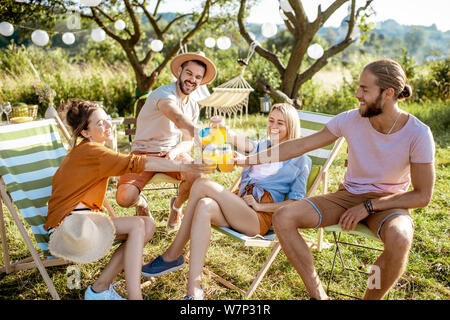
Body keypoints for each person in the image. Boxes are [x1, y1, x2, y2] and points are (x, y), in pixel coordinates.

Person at [238, 59, 435, 300]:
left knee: (401, 237)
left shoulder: (417, 133)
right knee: (284, 216)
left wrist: (369, 206)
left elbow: (422, 195)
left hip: (389, 203)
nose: (357, 94)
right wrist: (250, 159)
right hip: (347, 196)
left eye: (365, 89)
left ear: (389, 93)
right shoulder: (351, 119)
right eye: (358, 87)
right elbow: (301, 145)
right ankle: (319, 296)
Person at [141, 103, 312, 300]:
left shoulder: (300, 160)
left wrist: (261, 206)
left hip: (259, 219)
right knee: (205, 205)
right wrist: (221, 127)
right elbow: (231, 137)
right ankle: (194, 289)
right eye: (271, 120)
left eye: (280, 123)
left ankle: (173, 254)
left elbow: (296, 202)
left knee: (203, 184)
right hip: (239, 207)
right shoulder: (262, 146)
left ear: (291, 126)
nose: (273, 126)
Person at [44, 99, 210, 300]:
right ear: (85, 133)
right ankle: (135, 297)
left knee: (147, 225)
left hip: (80, 225)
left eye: (107, 120)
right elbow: (139, 162)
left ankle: (99, 289)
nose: (107, 126)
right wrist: (183, 167)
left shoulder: (88, 150)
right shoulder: (93, 152)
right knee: (137, 226)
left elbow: (134, 162)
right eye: (100, 123)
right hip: (70, 230)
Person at [115, 52, 217, 229]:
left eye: (198, 77)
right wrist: (197, 132)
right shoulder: (163, 93)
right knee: (124, 198)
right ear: (179, 71)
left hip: (170, 154)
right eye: (189, 73)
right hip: (143, 153)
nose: (192, 80)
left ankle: (176, 207)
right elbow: (176, 117)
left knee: (197, 175)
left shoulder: (193, 105)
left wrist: (175, 152)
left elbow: (187, 141)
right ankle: (142, 203)